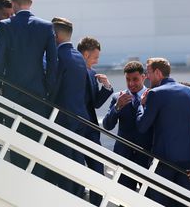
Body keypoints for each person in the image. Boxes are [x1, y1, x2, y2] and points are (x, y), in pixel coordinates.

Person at [0, 0, 58, 171]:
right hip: (38, 94)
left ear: (12, 4)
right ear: (31, 3)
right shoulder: (46, 27)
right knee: (37, 147)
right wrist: (48, 89)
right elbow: (53, 63)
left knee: (16, 144)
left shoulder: (5, 26)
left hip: (12, 93)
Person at [136, 57, 190, 206]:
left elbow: (142, 126)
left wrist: (141, 105)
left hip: (162, 160)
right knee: (183, 202)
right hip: (186, 160)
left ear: (158, 72)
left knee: (160, 202)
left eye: (148, 72)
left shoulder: (155, 93)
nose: (147, 77)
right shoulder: (189, 91)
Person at [47, 17, 90, 197]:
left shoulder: (58, 56)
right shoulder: (79, 57)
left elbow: (53, 86)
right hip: (79, 117)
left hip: (62, 117)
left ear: (55, 35)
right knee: (76, 161)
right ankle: (78, 196)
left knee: (63, 163)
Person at [102, 61, 152, 191]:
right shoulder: (117, 97)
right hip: (123, 156)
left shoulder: (153, 96)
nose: (131, 84)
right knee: (123, 197)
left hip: (146, 156)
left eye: (135, 79)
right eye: (128, 80)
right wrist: (117, 107)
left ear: (144, 76)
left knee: (149, 198)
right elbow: (107, 125)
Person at [77, 36, 113, 205]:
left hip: (91, 131)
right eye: (95, 57)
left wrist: (106, 87)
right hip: (74, 128)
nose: (97, 61)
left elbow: (96, 103)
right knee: (75, 173)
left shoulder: (92, 73)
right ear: (85, 54)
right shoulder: (72, 70)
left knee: (98, 172)